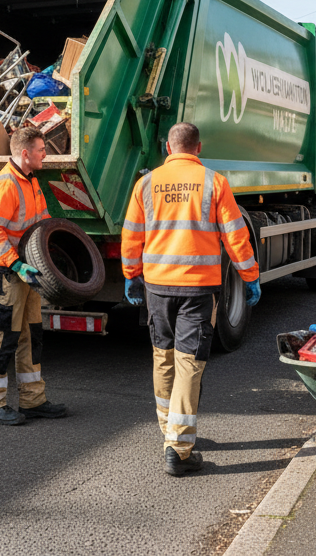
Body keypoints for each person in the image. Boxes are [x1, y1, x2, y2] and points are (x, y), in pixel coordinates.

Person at [120, 122, 260, 475]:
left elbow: (131, 235)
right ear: (198, 149)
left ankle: (170, 430)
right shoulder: (215, 182)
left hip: (157, 288)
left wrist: (131, 275)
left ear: (168, 148)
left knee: (163, 357)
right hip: (198, 289)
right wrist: (250, 277)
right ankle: (179, 450)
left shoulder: (146, 183)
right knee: (188, 363)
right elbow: (236, 236)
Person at [0, 125, 68, 425]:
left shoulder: (30, 181)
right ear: (25, 153)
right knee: (5, 336)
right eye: (42, 150)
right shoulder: (5, 185)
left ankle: (32, 400)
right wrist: (16, 264)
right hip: (6, 270)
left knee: (31, 333)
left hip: (24, 270)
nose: (46, 154)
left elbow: (40, 222)